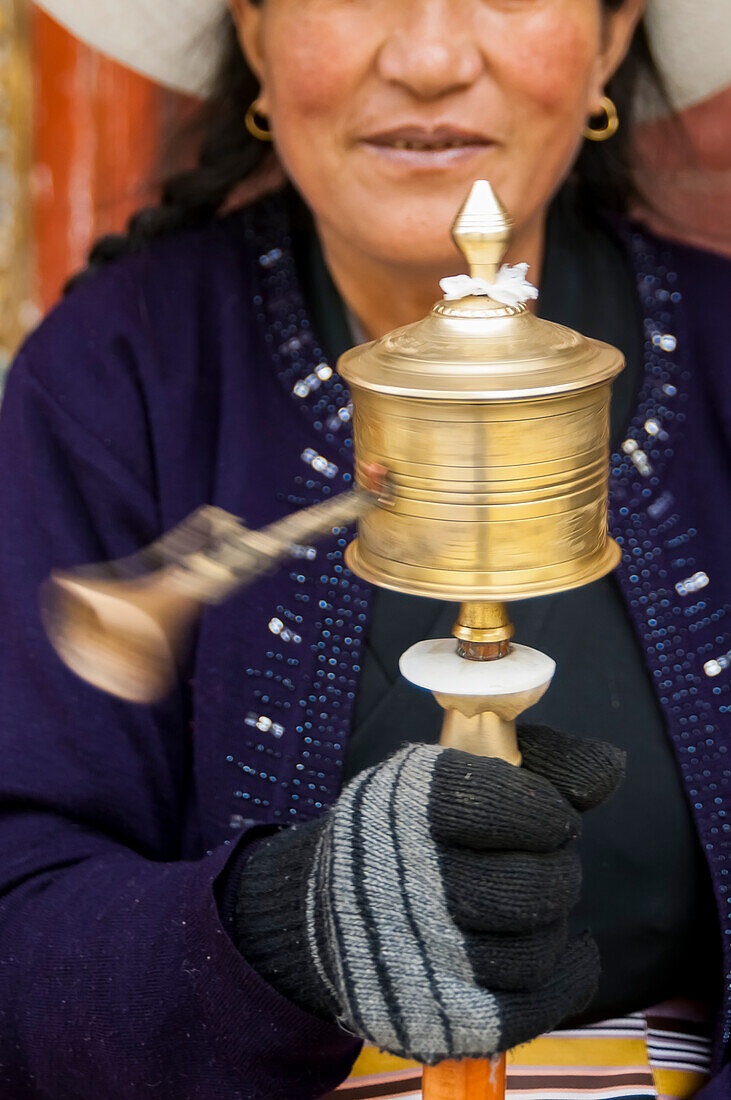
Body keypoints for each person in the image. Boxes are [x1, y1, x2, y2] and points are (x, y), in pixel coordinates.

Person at [0, 0, 729, 1097]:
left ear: (610, 40)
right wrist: (290, 924)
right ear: (253, 36)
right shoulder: (117, 374)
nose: (428, 57)